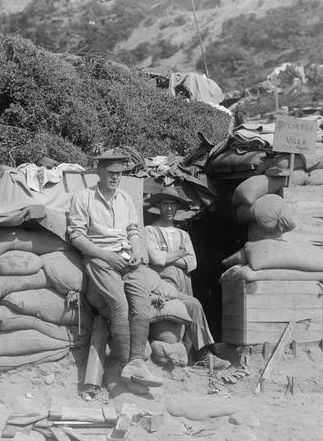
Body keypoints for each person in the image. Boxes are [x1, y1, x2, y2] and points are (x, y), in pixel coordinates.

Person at [67, 149, 163, 388]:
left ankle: (137, 363)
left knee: (142, 303)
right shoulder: (83, 198)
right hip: (99, 258)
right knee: (119, 304)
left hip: (127, 258)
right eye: (110, 173)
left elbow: (133, 230)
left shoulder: (126, 199)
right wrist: (106, 256)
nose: (115, 178)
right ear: (98, 171)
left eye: (119, 173)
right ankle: (124, 364)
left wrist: (138, 251)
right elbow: (76, 237)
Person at [143, 187, 229, 370]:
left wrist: (168, 257)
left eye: (173, 204)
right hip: (162, 287)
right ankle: (203, 354)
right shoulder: (149, 231)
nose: (169, 208)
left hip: (184, 284)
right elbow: (156, 259)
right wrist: (181, 253)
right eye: (165, 203)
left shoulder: (183, 235)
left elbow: (193, 262)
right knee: (194, 305)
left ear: (177, 207)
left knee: (189, 310)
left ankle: (192, 355)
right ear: (158, 205)